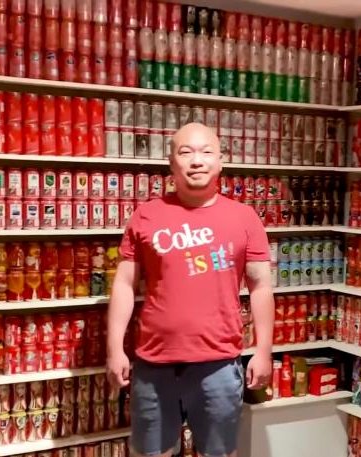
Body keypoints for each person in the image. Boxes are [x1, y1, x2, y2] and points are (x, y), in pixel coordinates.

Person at [106, 122, 274, 457]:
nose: (197, 160)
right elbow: (124, 283)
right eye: (186, 152)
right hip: (154, 364)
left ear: (221, 161)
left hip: (219, 365)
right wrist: (114, 349)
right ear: (172, 163)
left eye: (206, 152)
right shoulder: (146, 215)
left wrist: (264, 350)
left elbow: (261, 286)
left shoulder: (244, 217)